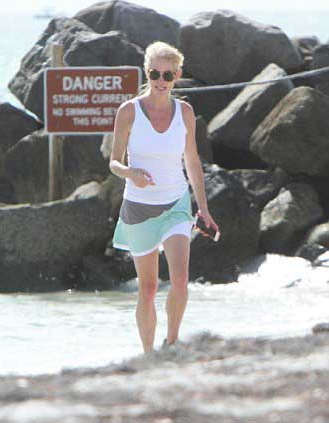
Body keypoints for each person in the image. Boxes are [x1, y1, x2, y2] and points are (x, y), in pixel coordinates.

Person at [110, 42, 219, 353]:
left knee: (181, 280)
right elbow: (113, 161)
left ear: (177, 75)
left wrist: (204, 210)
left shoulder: (185, 112)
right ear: (147, 72)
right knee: (148, 288)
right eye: (155, 73)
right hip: (139, 208)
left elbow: (193, 161)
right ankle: (147, 355)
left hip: (176, 204)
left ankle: (171, 343)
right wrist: (131, 173)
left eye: (167, 74)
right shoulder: (128, 111)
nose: (161, 80)